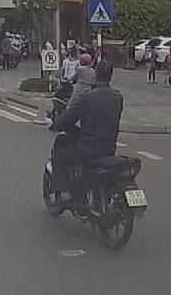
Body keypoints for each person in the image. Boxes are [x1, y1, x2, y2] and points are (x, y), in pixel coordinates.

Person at [48, 61, 122, 198]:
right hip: (109, 149)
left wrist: (56, 125)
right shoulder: (117, 97)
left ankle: (65, 194)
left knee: (59, 157)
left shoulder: (88, 97)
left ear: (95, 75)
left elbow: (70, 117)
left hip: (89, 149)